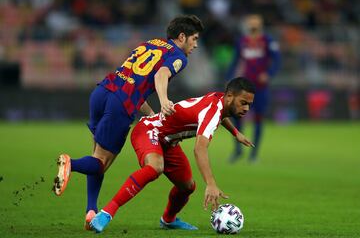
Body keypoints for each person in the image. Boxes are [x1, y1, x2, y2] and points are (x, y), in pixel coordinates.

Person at [52, 15, 204, 230]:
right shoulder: (178, 56)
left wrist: (150, 114)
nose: (196, 45)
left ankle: (90, 210)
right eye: (194, 39)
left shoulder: (150, 43)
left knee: (98, 157)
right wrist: (163, 100)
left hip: (103, 91)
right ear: (181, 37)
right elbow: (161, 75)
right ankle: (70, 163)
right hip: (119, 105)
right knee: (100, 163)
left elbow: (134, 84)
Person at [89, 77, 255, 233]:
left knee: (187, 186)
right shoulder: (212, 112)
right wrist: (211, 183)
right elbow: (199, 149)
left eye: (249, 104)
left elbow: (221, 116)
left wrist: (235, 132)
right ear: (230, 97)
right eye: (243, 103)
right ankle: (106, 213)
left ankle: (168, 220)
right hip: (149, 130)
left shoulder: (220, 100)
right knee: (155, 167)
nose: (246, 108)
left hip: (168, 142)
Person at [227, 14, 281, 163]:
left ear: (260, 24)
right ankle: (238, 150)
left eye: (255, 23)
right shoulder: (242, 41)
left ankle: (254, 153)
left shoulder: (268, 41)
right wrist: (229, 77)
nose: (253, 25)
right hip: (243, 87)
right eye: (251, 22)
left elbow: (277, 61)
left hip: (260, 87)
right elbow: (235, 60)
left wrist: (269, 74)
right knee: (236, 116)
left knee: (258, 119)